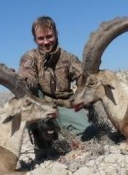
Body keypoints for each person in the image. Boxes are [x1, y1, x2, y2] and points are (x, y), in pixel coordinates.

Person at [19, 16, 95, 157]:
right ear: (35, 40)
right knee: (31, 96)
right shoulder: (29, 58)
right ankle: (41, 143)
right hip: (42, 107)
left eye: (49, 36)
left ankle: (64, 136)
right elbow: (28, 79)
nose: (46, 42)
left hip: (64, 107)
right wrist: (21, 82)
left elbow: (83, 79)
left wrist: (84, 93)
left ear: (56, 34)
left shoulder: (69, 58)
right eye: (41, 38)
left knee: (91, 131)